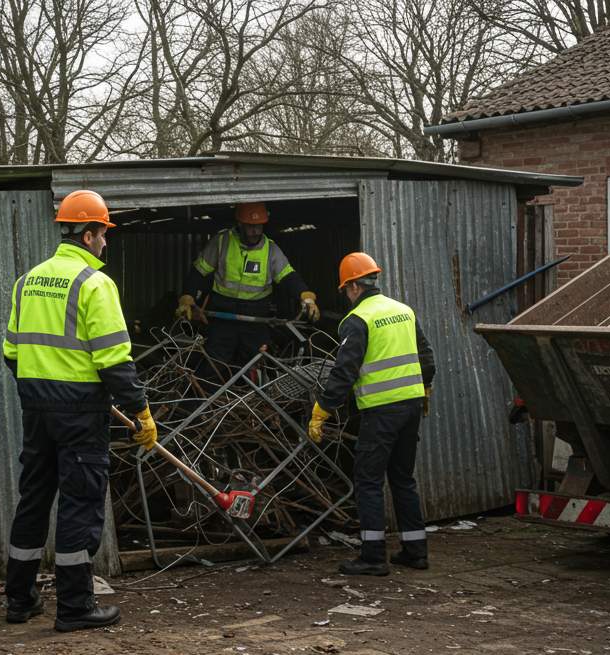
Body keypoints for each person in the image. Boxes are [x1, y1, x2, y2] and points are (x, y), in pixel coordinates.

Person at [1, 189, 157, 632]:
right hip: (79, 411)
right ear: (88, 234)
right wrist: (141, 412)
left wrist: (40, 389)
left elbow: (11, 353)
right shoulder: (95, 284)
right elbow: (113, 361)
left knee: (33, 498)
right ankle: (74, 606)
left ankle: (19, 600)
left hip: (36, 407)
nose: (106, 242)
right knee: (80, 502)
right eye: (104, 234)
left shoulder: (27, 281)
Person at [308, 252, 435, 576]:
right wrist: (425, 389)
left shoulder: (358, 319)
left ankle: (373, 556)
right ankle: (415, 551)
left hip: (381, 412)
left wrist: (322, 408)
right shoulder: (403, 311)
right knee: (403, 479)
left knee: (368, 481)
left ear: (352, 286)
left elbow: (344, 372)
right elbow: (427, 358)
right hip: (410, 408)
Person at [175, 202, 319, 376]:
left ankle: (255, 401)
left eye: (259, 226)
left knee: (257, 363)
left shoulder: (271, 249)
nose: (255, 231)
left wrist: (306, 296)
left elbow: (289, 277)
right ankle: (210, 398)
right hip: (223, 314)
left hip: (256, 318)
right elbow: (199, 272)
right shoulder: (222, 242)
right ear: (240, 224)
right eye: (250, 226)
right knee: (215, 362)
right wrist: (187, 296)